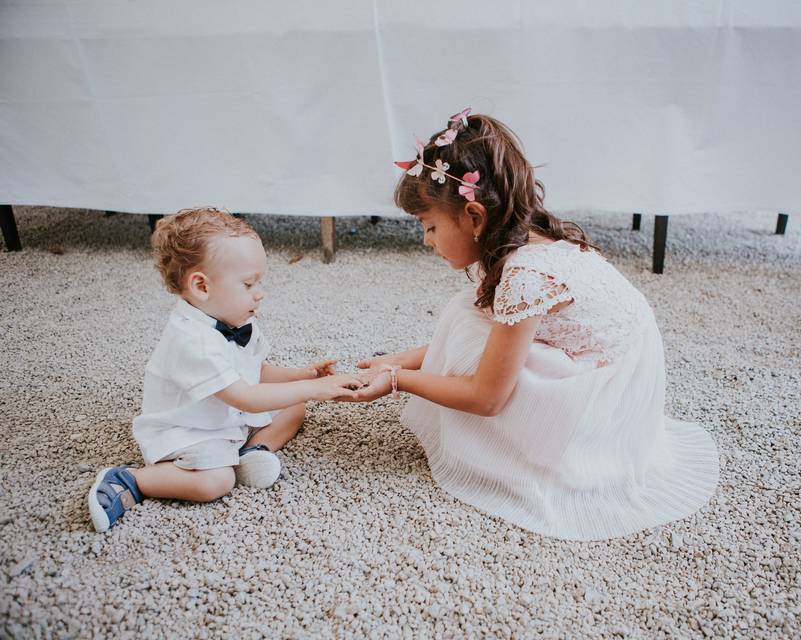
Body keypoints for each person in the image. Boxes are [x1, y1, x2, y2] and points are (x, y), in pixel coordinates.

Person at [354, 109, 719, 540]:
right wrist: (400, 360)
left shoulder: (526, 276)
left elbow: (487, 398)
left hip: (607, 394)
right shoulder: (524, 235)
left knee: (467, 329)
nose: (426, 240)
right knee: (467, 315)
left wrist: (399, 380)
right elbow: (497, 327)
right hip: (617, 356)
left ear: (473, 217)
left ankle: (532, 453)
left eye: (430, 226)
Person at [88, 207, 361, 532]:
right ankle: (132, 480)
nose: (260, 293)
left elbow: (254, 371)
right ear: (201, 286)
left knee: (294, 406)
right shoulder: (193, 341)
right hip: (189, 430)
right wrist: (318, 390)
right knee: (215, 482)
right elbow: (244, 396)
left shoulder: (236, 318)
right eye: (248, 284)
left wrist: (303, 376)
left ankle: (253, 452)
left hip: (226, 418)